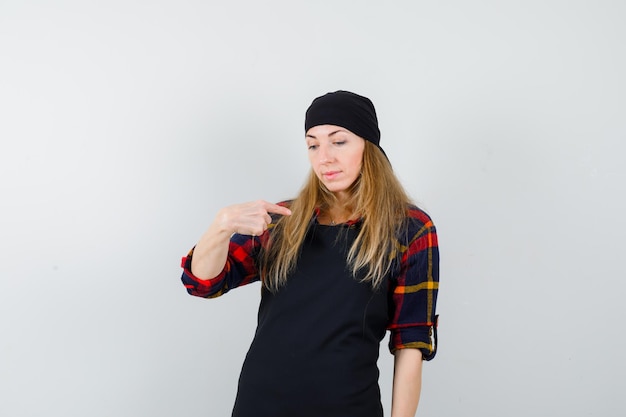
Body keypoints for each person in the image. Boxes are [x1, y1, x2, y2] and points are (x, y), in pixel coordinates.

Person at [180, 90, 439, 417]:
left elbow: (411, 343)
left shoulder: (409, 228)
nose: (324, 157)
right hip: (260, 405)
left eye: (339, 141)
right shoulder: (283, 220)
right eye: (313, 145)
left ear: (368, 147)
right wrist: (220, 227)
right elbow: (203, 283)